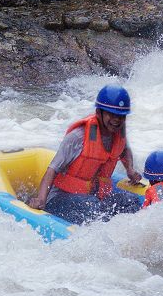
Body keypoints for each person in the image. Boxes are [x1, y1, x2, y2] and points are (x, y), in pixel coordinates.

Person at [28, 84, 144, 224]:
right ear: (99, 112)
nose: (116, 120)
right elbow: (52, 169)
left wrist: (130, 170)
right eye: (111, 114)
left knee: (131, 201)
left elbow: (124, 150)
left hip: (95, 196)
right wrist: (41, 200)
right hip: (60, 198)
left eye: (121, 116)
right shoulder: (78, 136)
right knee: (93, 207)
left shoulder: (118, 133)